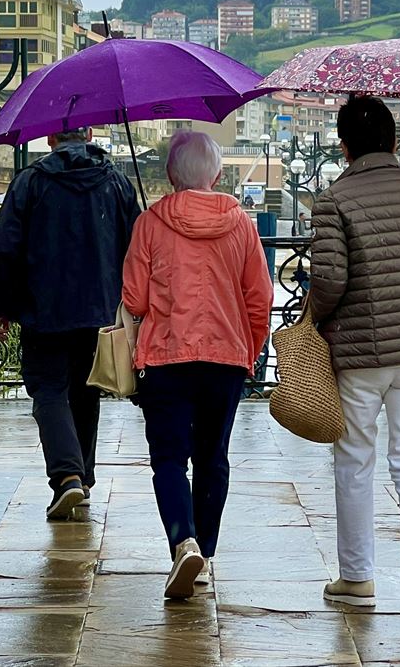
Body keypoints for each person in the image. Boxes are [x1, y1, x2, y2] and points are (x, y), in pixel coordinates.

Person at [308, 96, 400, 623]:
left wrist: (312, 318)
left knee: (354, 460)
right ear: (395, 142)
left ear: (343, 144)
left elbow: (329, 280)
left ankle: (356, 577)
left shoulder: (334, 200)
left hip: (362, 350)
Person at [122, 131, 272, 599]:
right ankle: (204, 553)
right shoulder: (243, 224)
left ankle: (181, 539)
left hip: (166, 358)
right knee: (213, 458)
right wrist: (249, 349)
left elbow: (135, 298)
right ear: (217, 174)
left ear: (170, 176)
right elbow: (260, 298)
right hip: (225, 357)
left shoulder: (150, 222)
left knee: (168, 458)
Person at [0, 128, 140, 520]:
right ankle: (82, 477)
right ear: (87, 134)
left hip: (44, 310)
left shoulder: (31, 183)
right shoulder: (115, 182)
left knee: (49, 390)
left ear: (49, 137)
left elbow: (2, 249)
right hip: (102, 310)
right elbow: (137, 246)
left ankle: (67, 476)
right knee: (87, 391)